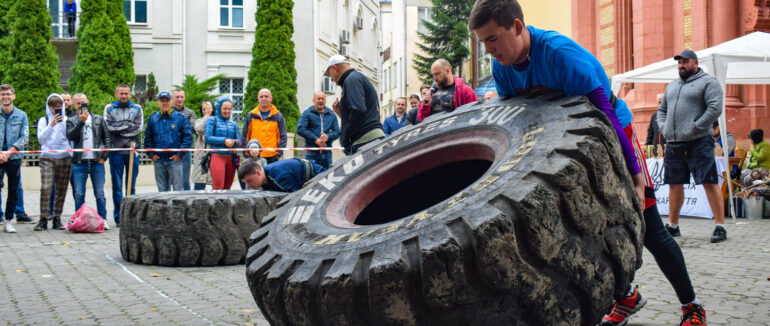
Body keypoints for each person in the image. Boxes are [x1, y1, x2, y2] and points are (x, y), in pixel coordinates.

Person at [468, 2, 707, 325]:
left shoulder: (561, 56)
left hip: (610, 133)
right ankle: (627, 297)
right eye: (483, 42)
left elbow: (605, 114)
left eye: (493, 38)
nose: (489, 50)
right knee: (571, 229)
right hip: (557, 150)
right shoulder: (502, 68)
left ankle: (692, 307)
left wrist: (637, 177)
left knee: (651, 230)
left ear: (518, 27)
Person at [657, 49, 725, 245]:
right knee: (674, 183)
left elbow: (715, 108)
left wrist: (696, 126)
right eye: (679, 63)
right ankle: (673, 225)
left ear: (695, 63)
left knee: (709, 182)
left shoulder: (708, 82)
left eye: (685, 62)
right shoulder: (672, 86)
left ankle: (720, 226)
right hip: (674, 143)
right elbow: (662, 111)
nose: (681, 65)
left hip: (699, 141)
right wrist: (664, 127)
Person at [66, 93, 111, 228]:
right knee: (79, 194)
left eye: (83, 103)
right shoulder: (71, 120)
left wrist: (104, 157)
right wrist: (80, 122)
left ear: (88, 102)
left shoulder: (98, 119)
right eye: (78, 103)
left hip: (97, 162)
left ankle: (103, 219)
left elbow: (107, 139)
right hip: (80, 162)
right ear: (74, 105)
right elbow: (70, 136)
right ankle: (80, 220)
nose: (81, 105)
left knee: (100, 193)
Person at [324, 55, 385, 154]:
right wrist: (343, 113)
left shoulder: (351, 80)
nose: (331, 79)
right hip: (368, 139)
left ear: (334, 68)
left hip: (365, 141)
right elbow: (360, 111)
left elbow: (358, 110)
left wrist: (345, 137)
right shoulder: (355, 78)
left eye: (329, 73)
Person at [104, 84, 143, 227]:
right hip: (116, 152)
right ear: (116, 94)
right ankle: (119, 217)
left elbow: (138, 128)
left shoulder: (137, 108)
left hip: (132, 151)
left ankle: (131, 216)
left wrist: (119, 128)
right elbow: (108, 126)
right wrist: (127, 124)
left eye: (126, 93)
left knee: (131, 186)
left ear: (130, 94)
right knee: (117, 186)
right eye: (121, 93)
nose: (124, 96)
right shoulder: (109, 108)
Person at [35, 94, 72, 231]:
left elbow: (69, 138)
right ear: (48, 107)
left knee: (61, 188)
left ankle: (57, 217)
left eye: (58, 106)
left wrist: (70, 152)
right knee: (46, 186)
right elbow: (41, 140)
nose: (55, 109)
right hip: (47, 157)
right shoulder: (43, 121)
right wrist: (51, 125)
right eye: (53, 106)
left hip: (64, 156)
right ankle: (43, 219)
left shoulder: (67, 120)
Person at [145, 92, 193, 192]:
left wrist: (179, 154)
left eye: (167, 100)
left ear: (172, 102)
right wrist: (151, 154)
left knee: (178, 191)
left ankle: (178, 208)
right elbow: (148, 138)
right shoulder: (153, 118)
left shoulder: (181, 118)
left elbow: (188, 138)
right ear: (158, 103)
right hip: (159, 161)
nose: (165, 103)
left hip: (175, 161)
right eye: (162, 101)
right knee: (162, 191)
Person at [0, 84, 29, 233]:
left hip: (14, 158)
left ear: (14, 96)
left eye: (8, 94)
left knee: (13, 190)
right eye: (2, 94)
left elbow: (24, 138)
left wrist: (8, 152)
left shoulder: (22, 115)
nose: (5, 97)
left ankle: (8, 220)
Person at [297, 92, 340, 169]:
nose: (321, 100)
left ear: (325, 101)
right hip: (311, 153)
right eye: (318, 98)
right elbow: (300, 129)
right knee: (311, 178)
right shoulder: (307, 113)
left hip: (327, 154)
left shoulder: (331, 114)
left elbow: (337, 131)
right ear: (313, 100)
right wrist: (316, 139)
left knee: (327, 177)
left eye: (322, 99)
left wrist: (328, 137)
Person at [242, 89, 287, 164]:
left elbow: (283, 137)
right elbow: (245, 136)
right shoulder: (251, 115)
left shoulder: (278, 116)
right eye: (261, 96)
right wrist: (246, 153)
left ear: (271, 98)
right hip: (254, 156)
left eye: (266, 96)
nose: (263, 98)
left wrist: (278, 154)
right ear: (258, 98)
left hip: (272, 157)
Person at [206, 97, 242, 190]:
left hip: (231, 159)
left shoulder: (233, 124)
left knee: (227, 188)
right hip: (217, 156)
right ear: (219, 108)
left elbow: (240, 141)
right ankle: (216, 205)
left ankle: (225, 205)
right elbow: (207, 138)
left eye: (229, 109)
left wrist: (233, 142)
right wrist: (224, 141)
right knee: (218, 187)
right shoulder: (212, 120)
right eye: (224, 108)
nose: (227, 111)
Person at [238, 158, 325, 192]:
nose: (248, 185)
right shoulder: (265, 179)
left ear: (258, 172)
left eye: (249, 181)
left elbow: (295, 198)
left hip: (320, 176)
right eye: (245, 182)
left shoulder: (279, 177)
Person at [171, 89, 196, 191]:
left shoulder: (190, 113)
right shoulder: (168, 112)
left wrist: (175, 128)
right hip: (171, 150)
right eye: (177, 97)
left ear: (184, 98)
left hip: (185, 150)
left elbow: (191, 129)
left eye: (181, 97)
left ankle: (187, 204)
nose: (180, 99)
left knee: (185, 180)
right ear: (173, 98)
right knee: (172, 180)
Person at [191, 100, 215, 190]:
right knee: (199, 183)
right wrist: (206, 117)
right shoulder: (199, 121)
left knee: (215, 184)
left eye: (208, 108)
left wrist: (207, 136)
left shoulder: (217, 121)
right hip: (201, 156)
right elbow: (199, 129)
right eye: (204, 109)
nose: (206, 110)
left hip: (213, 154)